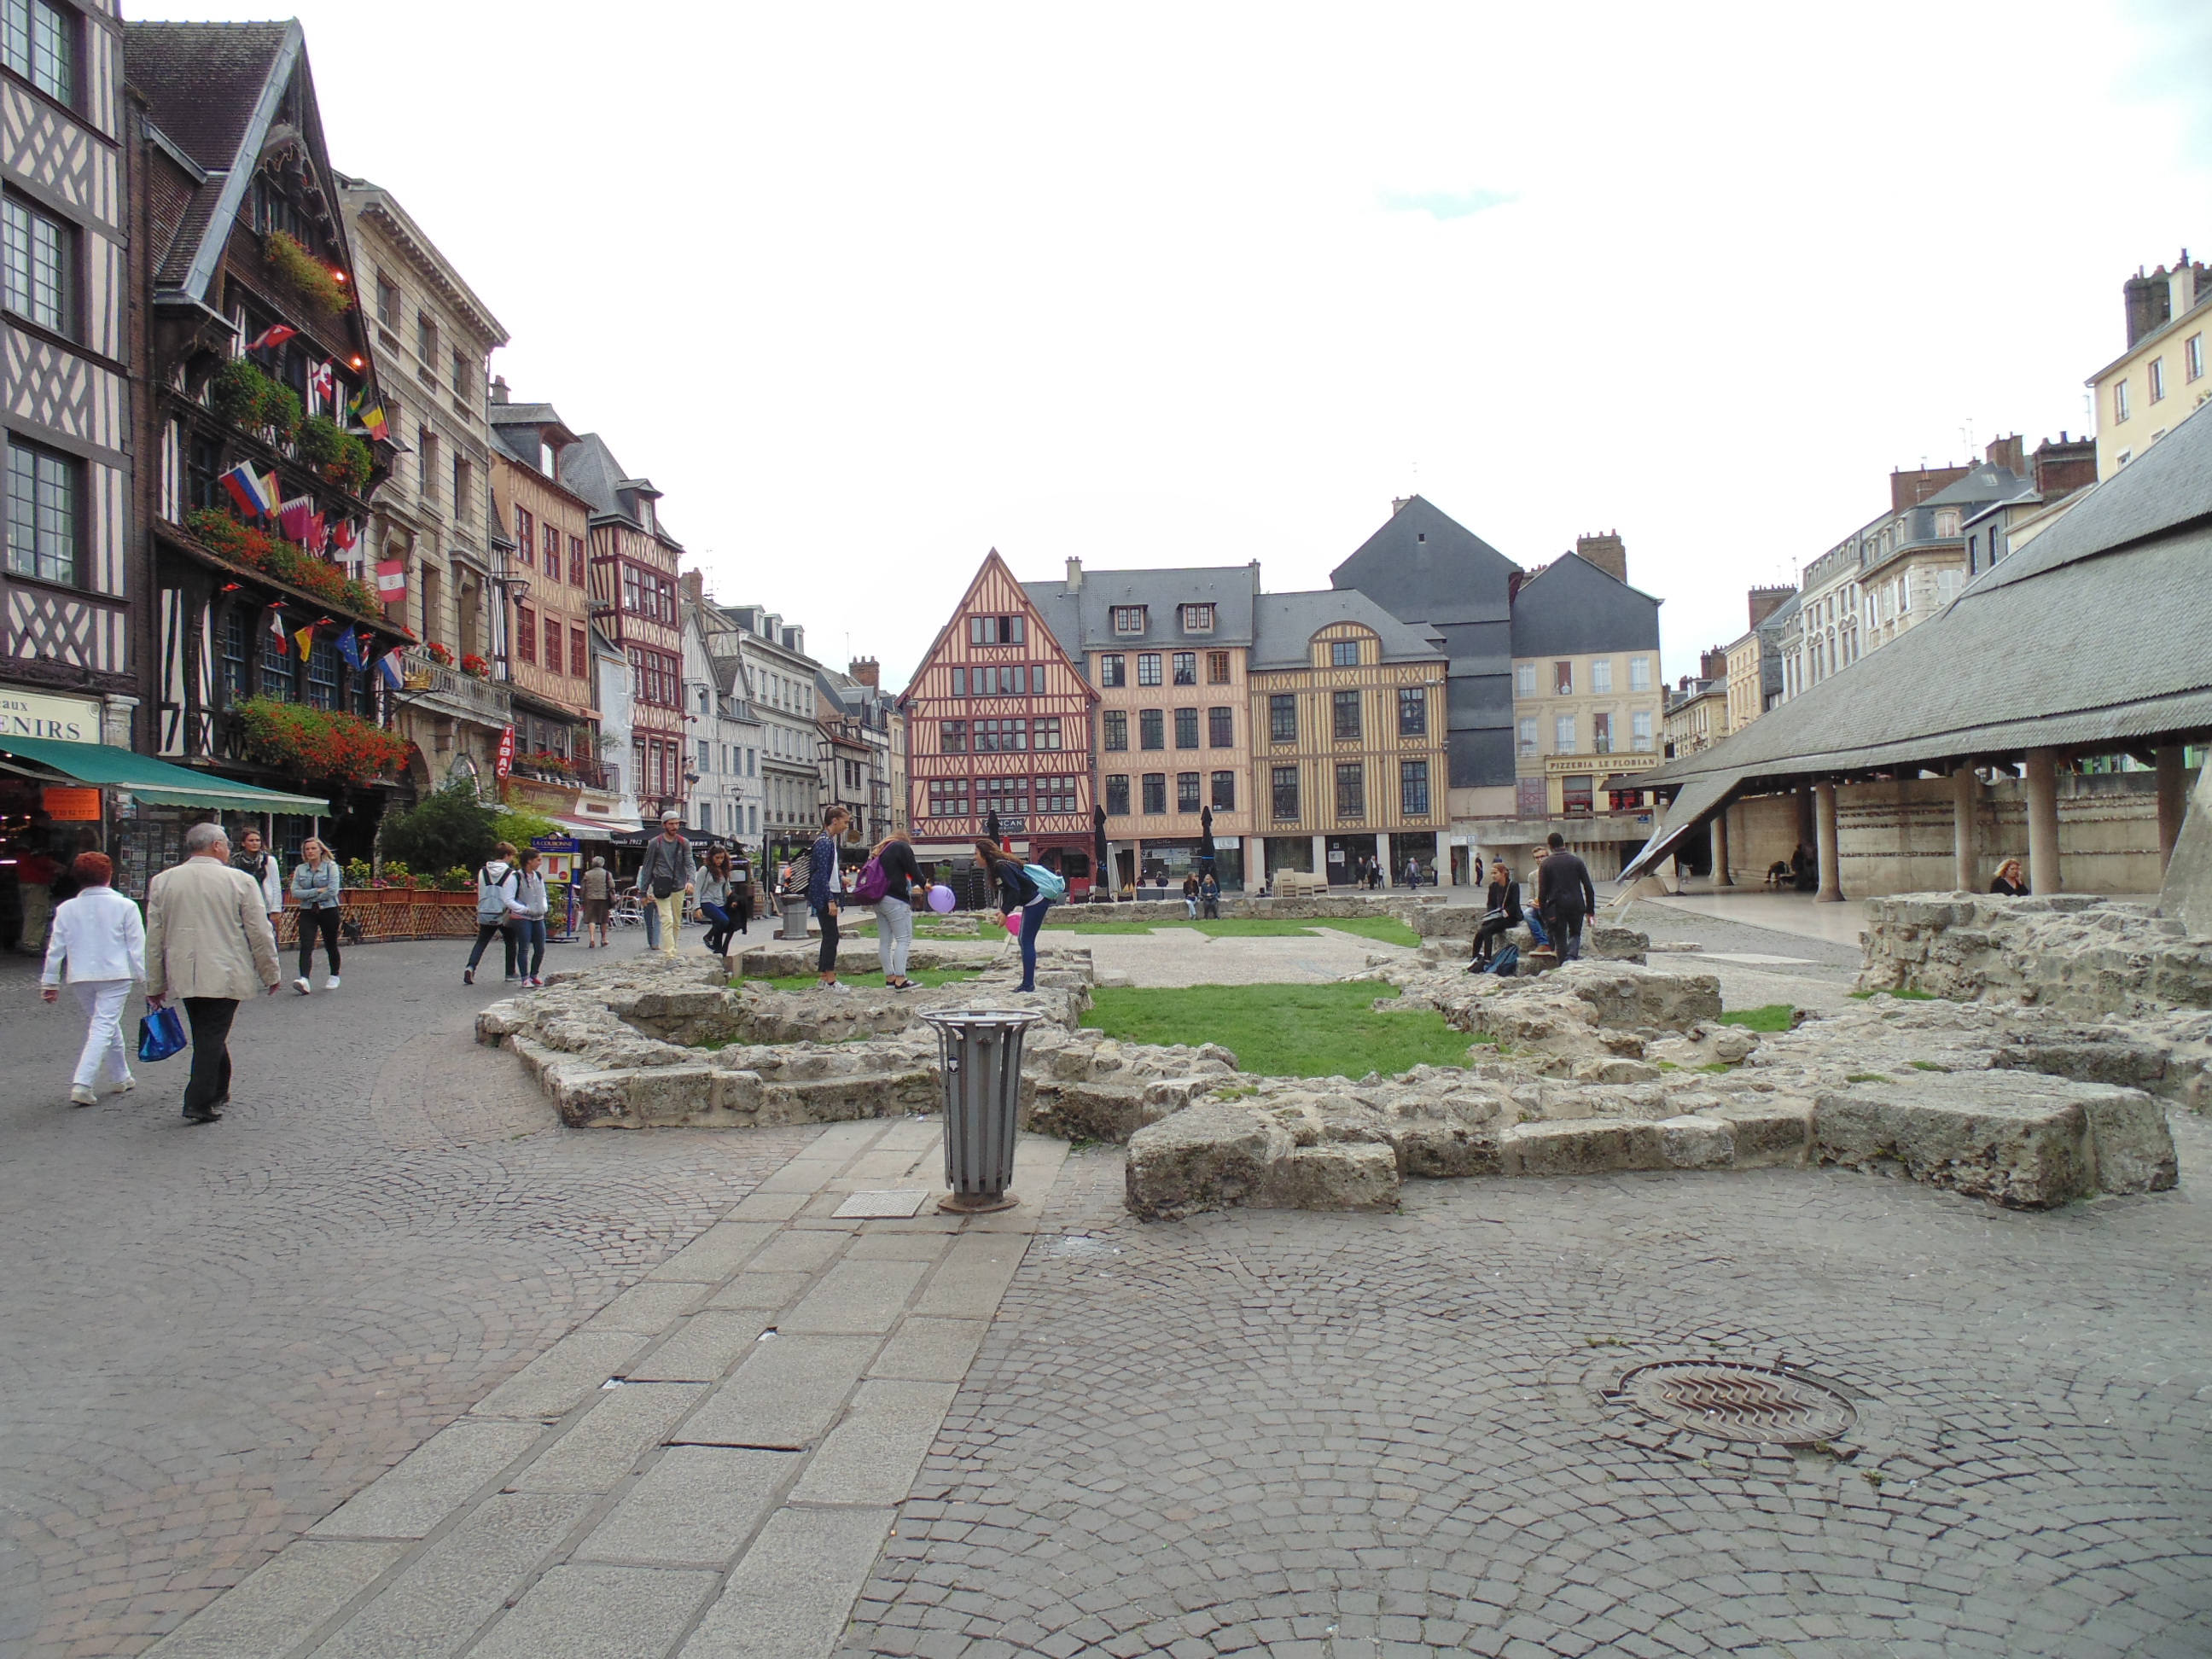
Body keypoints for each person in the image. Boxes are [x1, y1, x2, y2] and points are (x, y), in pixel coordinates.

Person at [144, 824, 281, 1123]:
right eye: (228, 844)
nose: (230, 849)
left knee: (207, 1031)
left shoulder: (163, 882)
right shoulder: (240, 881)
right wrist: (270, 972)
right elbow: (260, 932)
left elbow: (155, 936)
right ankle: (198, 1099)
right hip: (225, 968)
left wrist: (155, 981)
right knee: (211, 1033)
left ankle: (219, 1087)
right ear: (217, 845)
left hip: (185, 969)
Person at [39, 851, 145, 1106]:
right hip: (116, 974)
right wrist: (149, 981)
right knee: (103, 1026)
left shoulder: (66, 909)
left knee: (105, 1024)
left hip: (81, 975)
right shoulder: (126, 906)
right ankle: (83, 1082)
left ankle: (122, 1076)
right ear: (110, 875)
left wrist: (50, 981)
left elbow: (56, 947)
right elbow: (137, 948)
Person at [977, 837, 1051, 992]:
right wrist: (1004, 909)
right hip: (1033, 902)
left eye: (976, 853)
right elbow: (1012, 890)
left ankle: (1028, 985)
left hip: (1036, 901)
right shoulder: (999, 866)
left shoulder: (1001, 866)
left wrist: (1005, 912)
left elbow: (1015, 890)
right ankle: (1027, 983)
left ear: (985, 854)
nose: (975, 857)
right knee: (1023, 940)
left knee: (1026, 941)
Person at [870, 828, 925, 990]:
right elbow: (912, 868)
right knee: (904, 938)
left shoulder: (880, 851)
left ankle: (890, 978)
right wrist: (924, 884)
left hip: (879, 899)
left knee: (885, 941)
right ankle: (901, 979)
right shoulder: (901, 847)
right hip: (895, 898)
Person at [289, 837, 342, 993]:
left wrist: (310, 895)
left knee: (330, 943)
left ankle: (334, 975)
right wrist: (316, 891)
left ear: (321, 850)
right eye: (307, 849)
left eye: (313, 848)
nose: (310, 852)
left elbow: (332, 891)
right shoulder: (301, 869)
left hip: (328, 909)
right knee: (306, 943)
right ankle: (304, 978)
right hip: (307, 911)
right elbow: (294, 892)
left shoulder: (331, 867)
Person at [808, 806, 852, 993]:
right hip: (825, 895)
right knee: (831, 936)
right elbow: (820, 875)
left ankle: (823, 978)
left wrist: (840, 878)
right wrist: (830, 900)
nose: (846, 826)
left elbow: (826, 869)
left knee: (830, 935)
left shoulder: (827, 841)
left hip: (827, 892)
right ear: (834, 820)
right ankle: (830, 980)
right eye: (845, 822)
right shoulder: (825, 842)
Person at [463, 841, 520, 986]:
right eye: (512, 856)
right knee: (511, 942)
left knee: (482, 941)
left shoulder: (483, 871)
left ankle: (471, 967)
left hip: (485, 910)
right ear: (507, 855)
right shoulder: (511, 873)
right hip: (503, 911)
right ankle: (510, 972)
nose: (512, 859)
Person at [639, 812, 695, 958]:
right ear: (664, 825)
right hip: (661, 886)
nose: (675, 826)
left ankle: (673, 950)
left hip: (679, 885)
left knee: (676, 922)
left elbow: (690, 863)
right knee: (667, 920)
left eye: (677, 823)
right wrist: (643, 892)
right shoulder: (655, 843)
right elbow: (647, 867)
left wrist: (691, 881)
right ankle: (670, 955)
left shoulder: (684, 843)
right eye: (671, 823)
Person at [1536, 832, 1598, 962]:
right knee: (1575, 934)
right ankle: (1571, 958)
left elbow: (1542, 893)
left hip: (1557, 906)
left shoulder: (1546, 864)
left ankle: (1563, 963)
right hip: (1576, 904)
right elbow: (1588, 888)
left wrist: (1544, 913)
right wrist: (1590, 910)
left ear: (1550, 846)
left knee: (1560, 938)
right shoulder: (1577, 862)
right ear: (1563, 844)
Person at [231, 825, 285, 937]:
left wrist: (276, 909)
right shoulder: (236, 861)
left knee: (266, 936)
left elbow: (276, 885)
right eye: (251, 840)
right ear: (243, 843)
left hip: (264, 904)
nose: (255, 843)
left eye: (257, 840)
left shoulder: (268, 860)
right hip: (243, 903)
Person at [508, 847, 550, 986]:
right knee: (524, 947)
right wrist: (524, 909)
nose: (540, 863)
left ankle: (534, 974)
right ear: (529, 861)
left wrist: (544, 907)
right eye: (538, 860)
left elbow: (543, 894)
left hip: (538, 916)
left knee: (540, 947)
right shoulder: (516, 877)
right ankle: (525, 978)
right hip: (522, 918)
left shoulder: (538, 876)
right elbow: (508, 899)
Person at [1470, 859, 1522, 969]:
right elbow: (1490, 903)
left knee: (1487, 931)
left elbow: (1514, 904)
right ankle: (1474, 957)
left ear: (1503, 873)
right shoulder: (1493, 886)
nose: (1493, 876)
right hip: (1496, 916)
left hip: (1510, 917)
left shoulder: (1513, 885)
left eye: (1495, 873)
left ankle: (1487, 958)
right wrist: (1492, 914)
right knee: (1480, 932)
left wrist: (1506, 912)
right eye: (1492, 873)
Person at [694, 846, 738, 957]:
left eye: (722, 858)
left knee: (723, 926)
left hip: (721, 902)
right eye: (717, 858)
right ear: (711, 857)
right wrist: (697, 907)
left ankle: (719, 953)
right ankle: (708, 937)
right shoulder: (705, 870)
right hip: (706, 901)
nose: (719, 860)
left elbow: (727, 889)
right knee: (723, 920)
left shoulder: (724, 870)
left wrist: (735, 899)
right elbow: (697, 889)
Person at [579, 855, 614, 947]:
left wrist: (582, 898)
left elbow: (583, 888)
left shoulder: (587, 874)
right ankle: (603, 939)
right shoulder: (607, 874)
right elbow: (612, 886)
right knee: (604, 920)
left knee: (592, 919)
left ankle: (592, 938)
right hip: (603, 898)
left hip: (590, 898)